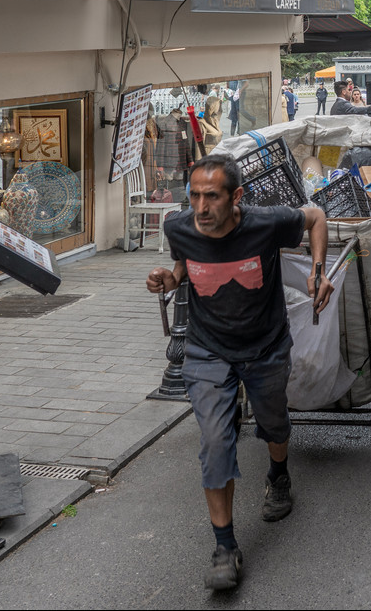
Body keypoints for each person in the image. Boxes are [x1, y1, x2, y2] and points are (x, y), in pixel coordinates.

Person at [147, 155, 334, 591]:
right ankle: (225, 547)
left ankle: (279, 474)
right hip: (208, 350)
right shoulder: (178, 227)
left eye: (211, 196)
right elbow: (182, 266)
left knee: (274, 422)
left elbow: (317, 216)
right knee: (215, 439)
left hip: (265, 345)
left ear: (237, 197)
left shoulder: (265, 223)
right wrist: (169, 278)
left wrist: (318, 273)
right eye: (194, 195)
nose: (201, 207)